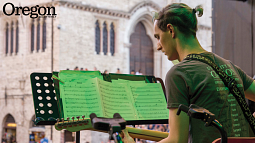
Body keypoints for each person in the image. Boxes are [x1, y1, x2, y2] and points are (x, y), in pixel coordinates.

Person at [122, 3, 255, 143]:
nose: (158, 46)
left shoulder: (179, 74)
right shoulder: (229, 66)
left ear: (171, 30)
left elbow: (177, 140)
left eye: (158, 37)